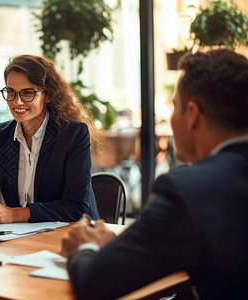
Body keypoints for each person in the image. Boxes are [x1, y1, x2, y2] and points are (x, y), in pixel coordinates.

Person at [60, 48, 248, 299]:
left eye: (175, 106)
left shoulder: (188, 190)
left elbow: (94, 285)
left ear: (192, 114)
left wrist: (86, 247)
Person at [0, 54, 100, 223]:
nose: (17, 102)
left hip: (74, 234)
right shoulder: (2, 134)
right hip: (23, 237)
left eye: (28, 93)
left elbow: (76, 207)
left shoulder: (72, 134)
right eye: (11, 92)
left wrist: (15, 214)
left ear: (48, 95)